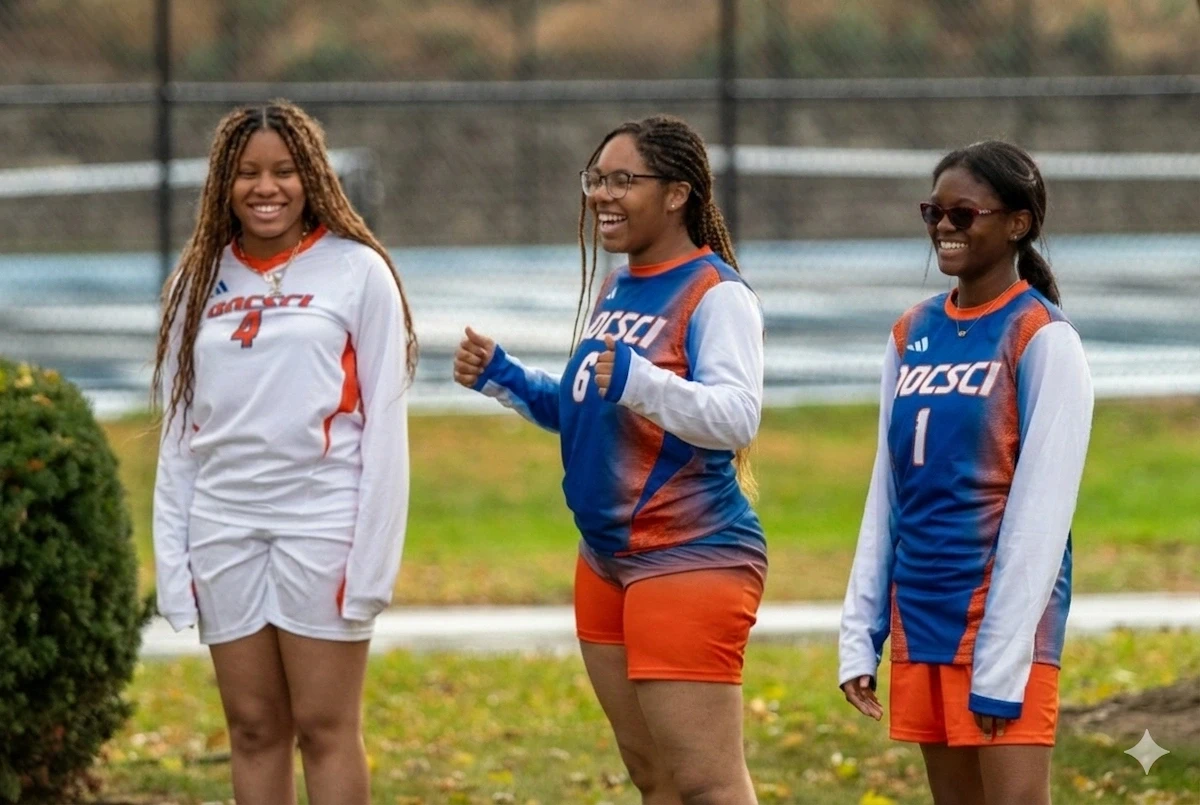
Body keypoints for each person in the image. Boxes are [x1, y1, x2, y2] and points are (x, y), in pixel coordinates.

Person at [454, 115, 766, 804]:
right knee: (653, 776)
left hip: (690, 554)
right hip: (605, 558)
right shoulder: (617, 289)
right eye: (596, 179)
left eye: (624, 180)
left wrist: (640, 380)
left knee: (708, 783)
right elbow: (588, 406)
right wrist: (503, 377)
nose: (602, 194)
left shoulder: (717, 294)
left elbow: (736, 416)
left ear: (679, 193)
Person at [151, 100, 416, 805]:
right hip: (223, 525)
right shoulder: (194, 281)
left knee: (326, 726)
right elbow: (180, 434)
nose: (266, 187)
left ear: (313, 177)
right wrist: (172, 563)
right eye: (246, 173)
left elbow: (386, 430)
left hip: (320, 520)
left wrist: (372, 563)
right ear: (222, 184)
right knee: (253, 726)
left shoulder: (358, 271)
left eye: (285, 170)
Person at [838, 140, 1094, 805]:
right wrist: (860, 632)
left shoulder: (1042, 337)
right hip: (923, 619)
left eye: (963, 213)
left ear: (1018, 222)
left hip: (1001, 630)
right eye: (934, 212)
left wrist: (1003, 664)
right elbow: (885, 495)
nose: (945, 227)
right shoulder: (908, 332)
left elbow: (1042, 517)